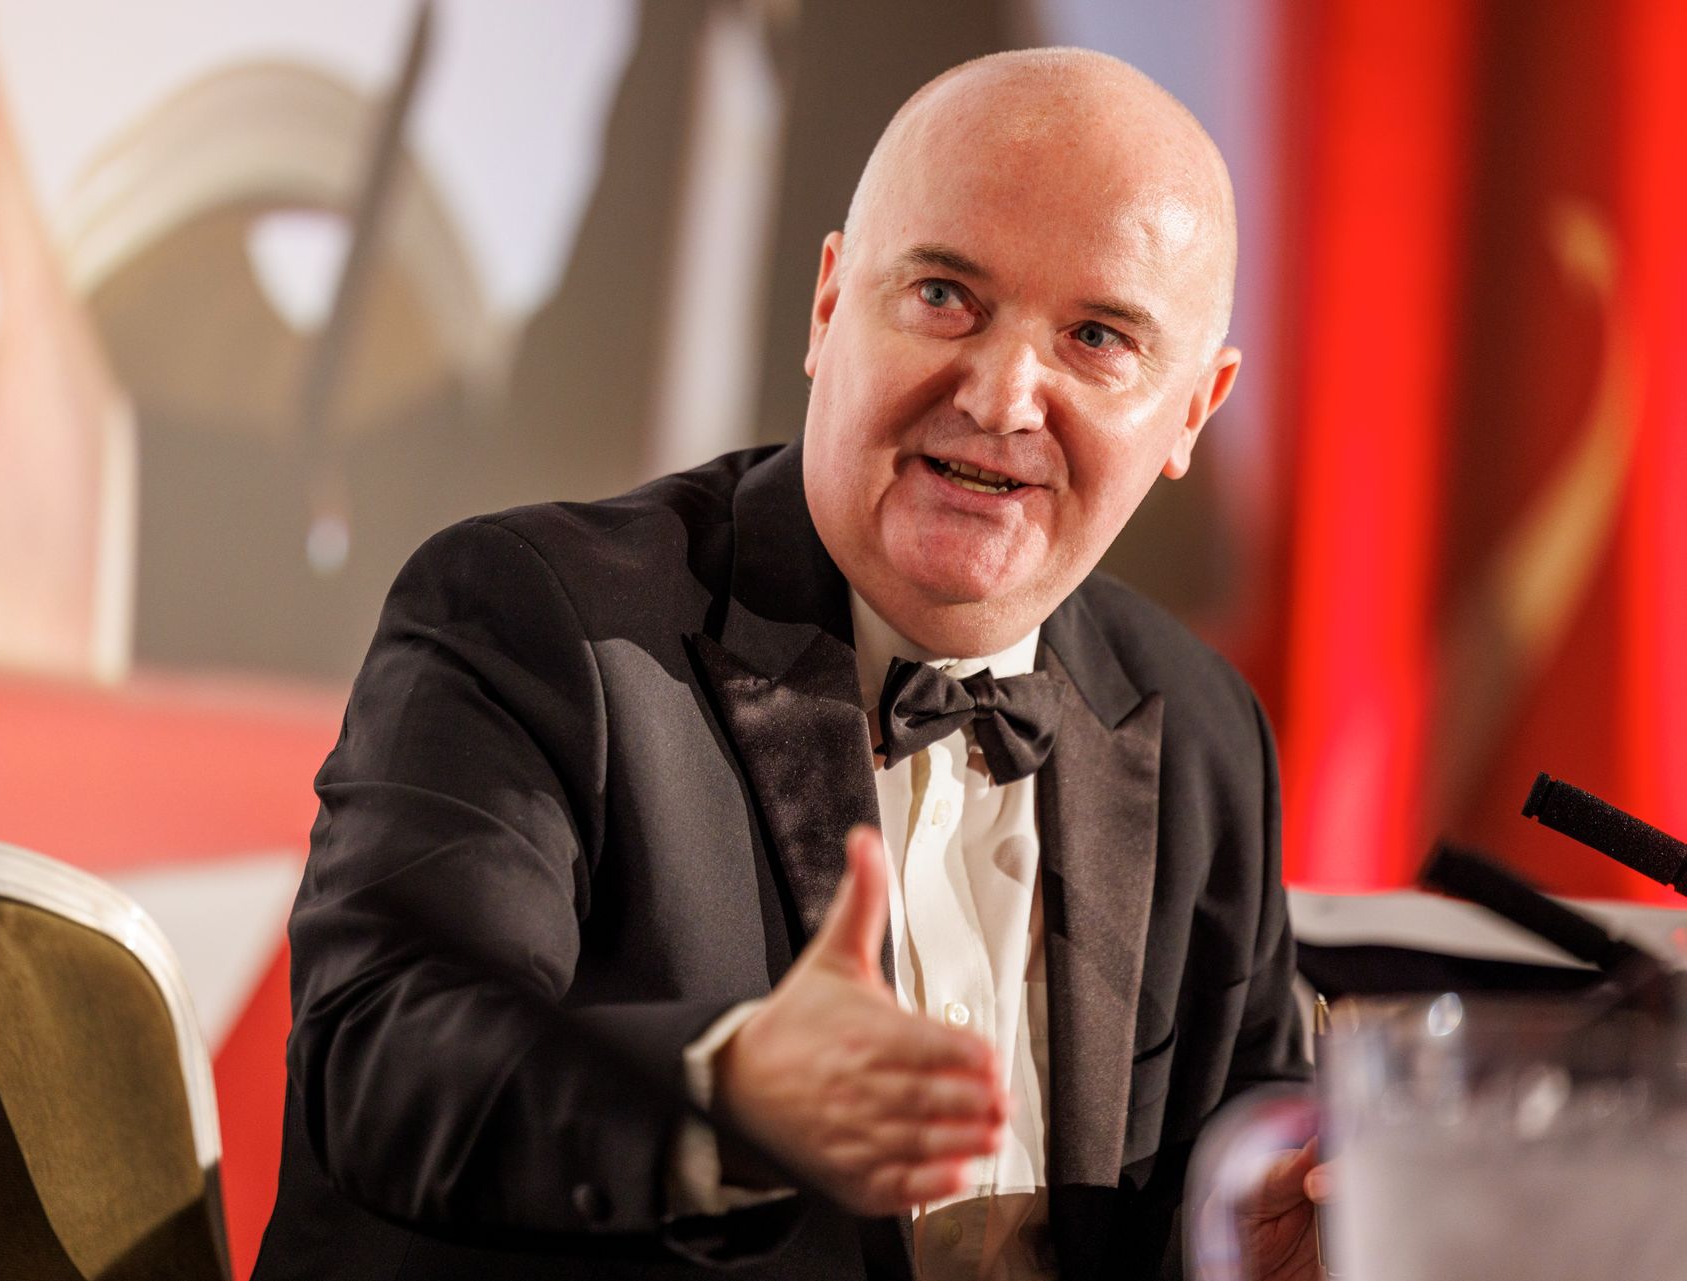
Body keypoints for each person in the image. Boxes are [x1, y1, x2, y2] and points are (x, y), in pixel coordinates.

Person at [253, 47, 1314, 1281]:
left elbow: (1246, 1144)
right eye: (944, 297)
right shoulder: (537, 620)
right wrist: (731, 1093)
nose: (1002, 394)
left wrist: (1263, 1237)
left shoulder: (1197, 721)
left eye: (1096, 336)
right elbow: (382, 1056)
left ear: (1193, 409)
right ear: (827, 306)